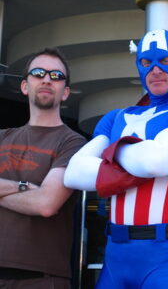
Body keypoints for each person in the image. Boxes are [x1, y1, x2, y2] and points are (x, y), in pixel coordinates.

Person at [64, 29, 168, 289]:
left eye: (167, 61)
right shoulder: (116, 117)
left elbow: (155, 161)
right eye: (147, 62)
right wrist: (137, 157)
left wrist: (110, 154)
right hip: (115, 256)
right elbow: (74, 173)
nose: (156, 70)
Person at [0, 48, 86, 288]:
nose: (47, 79)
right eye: (38, 73)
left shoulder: (73, 143)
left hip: (42, 279)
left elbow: (46, 204)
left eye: (56, 76)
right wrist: (25, 187)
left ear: (66, 92)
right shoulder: (2, 138)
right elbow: (37, 197)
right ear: (25, 86)